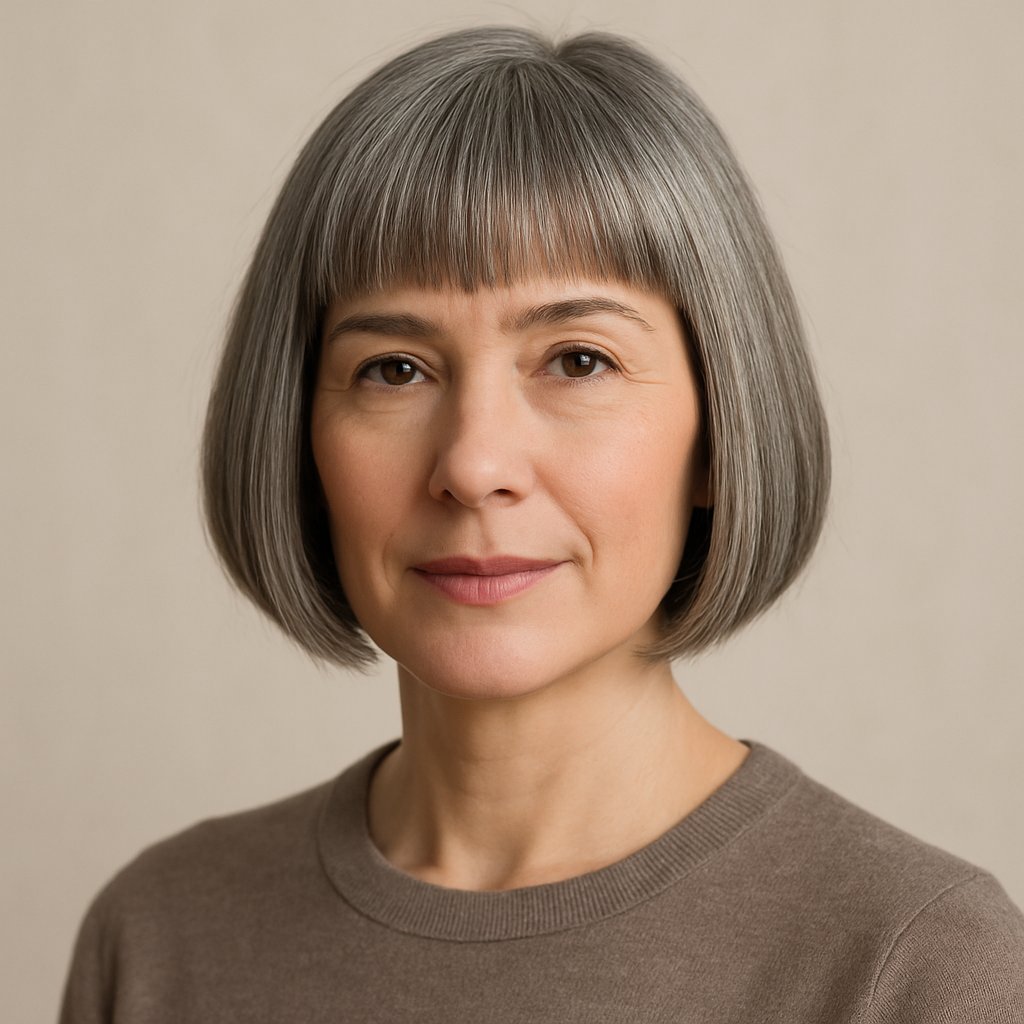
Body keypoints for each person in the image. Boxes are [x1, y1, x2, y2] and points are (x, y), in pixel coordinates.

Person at [60, 25, 1024, 1023]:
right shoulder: (160, 939)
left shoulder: (918, 970)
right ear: (298, 437)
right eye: (394, 369)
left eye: (577, 360)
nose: (474, 466)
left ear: (718, 432)